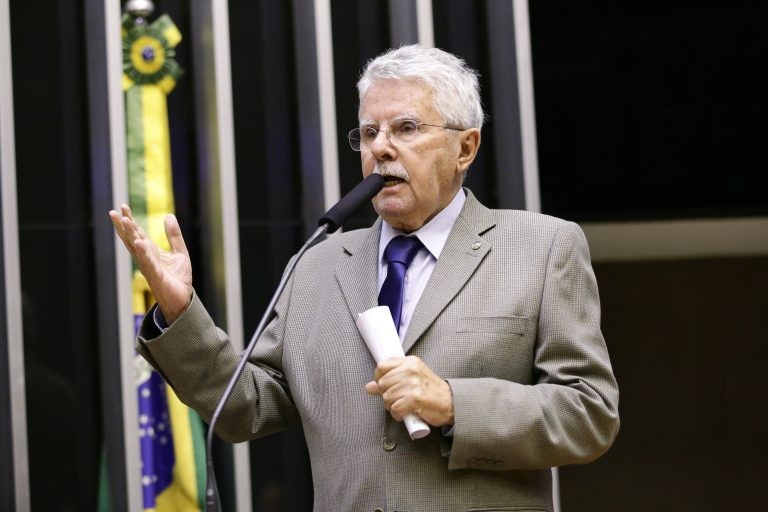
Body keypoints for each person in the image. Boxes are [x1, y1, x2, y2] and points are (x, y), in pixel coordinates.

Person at [110, 45, 619, 512]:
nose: (382, 148)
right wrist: (180, 311)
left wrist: (454, 403)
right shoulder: (317, 264)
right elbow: (245, 408)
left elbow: (589, 413)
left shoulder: (541, 247)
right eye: (370, 133)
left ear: (465, 148)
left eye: (406, 128)